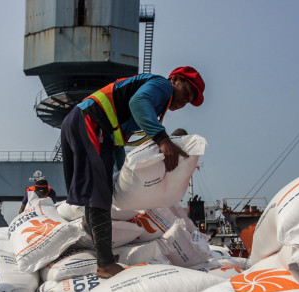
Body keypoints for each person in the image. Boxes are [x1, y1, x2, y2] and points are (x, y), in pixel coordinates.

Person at [60, 67, 205, 278]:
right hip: (91, 121)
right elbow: (137, 103)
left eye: (190, 100)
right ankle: (105, 263)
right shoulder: (162, 85)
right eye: (187, 91)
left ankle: (101, 253)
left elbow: (118, 140)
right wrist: (162, 139)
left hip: (89, 124)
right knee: (98, 194)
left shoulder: (157, 106)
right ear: (174, 79)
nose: (185, 100)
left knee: (99, 191)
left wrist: (120, 173)